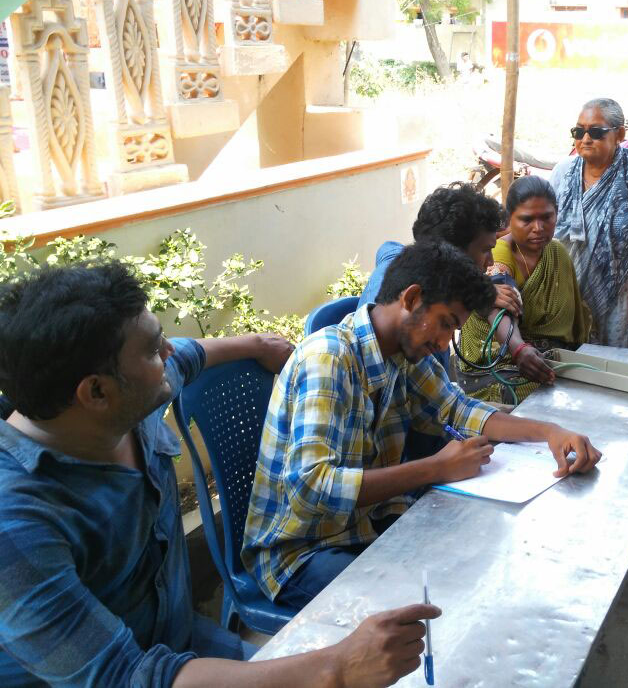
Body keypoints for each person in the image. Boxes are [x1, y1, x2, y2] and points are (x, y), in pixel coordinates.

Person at [0, 263, 439, 688]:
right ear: (96, 391)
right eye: (152, 349)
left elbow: (188, 354)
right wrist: (336, 669)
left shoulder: (121, 400)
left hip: (181, 644)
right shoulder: (17, 525)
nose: (167, 352)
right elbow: (125, 677)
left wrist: (255, 344)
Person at [242, 240, 601, 611]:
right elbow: (312, 487)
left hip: (363, 526)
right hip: (301, 552)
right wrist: (437, 468)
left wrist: (550, 432)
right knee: (423, 608)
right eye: (445, 323)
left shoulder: (403, 351)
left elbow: (458, 409)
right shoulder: (329, 358)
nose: (445, 342)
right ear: (411, 299)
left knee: (479, 562)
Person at [357, 182, 522, 374]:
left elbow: (387, 248)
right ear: (450, 253)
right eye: (485, 250)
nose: (491, 262)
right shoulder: (399, 320)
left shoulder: (419, 281)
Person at [457, 176, 592, 404]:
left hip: (550, 358)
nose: (538, 228)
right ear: (509, 218)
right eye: (527, 219)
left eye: (546, 217)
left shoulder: (558, 254)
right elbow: (498, 307)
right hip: (497, 367)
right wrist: (519, 349)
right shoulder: (500, 253)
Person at [551, 98, 628, 348]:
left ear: (619, 134)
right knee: (569, 356)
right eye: (578, 131)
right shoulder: (563, 172)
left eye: (596, 132)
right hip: (568, 286)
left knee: (614, 358)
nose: (585, 139)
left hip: (620, 290)